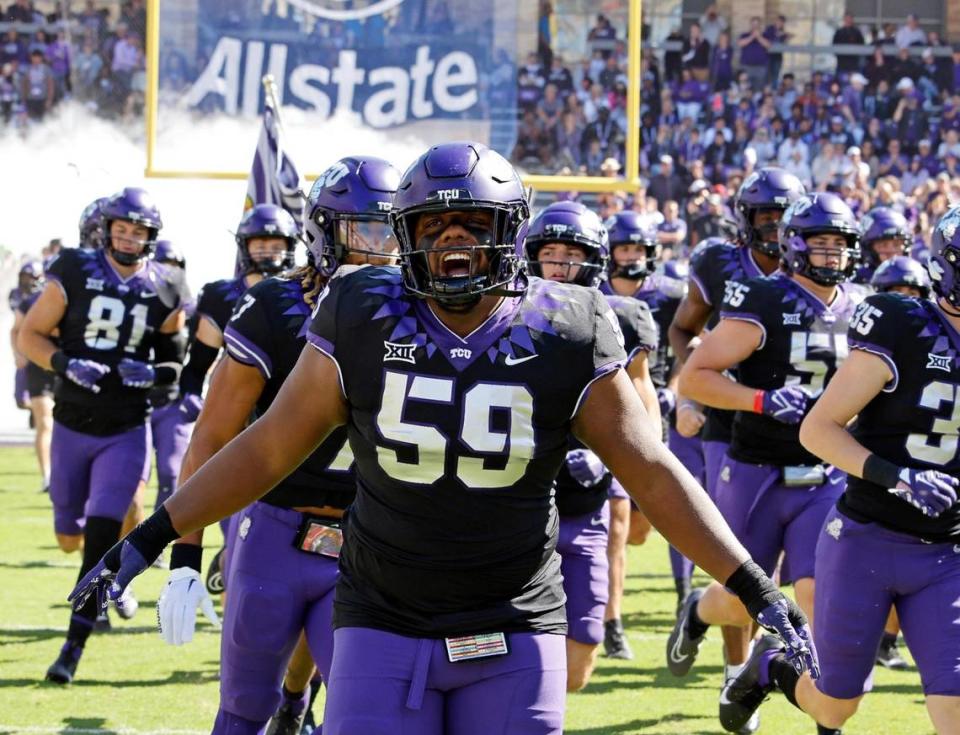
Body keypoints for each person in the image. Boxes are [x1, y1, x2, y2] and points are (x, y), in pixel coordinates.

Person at [69, 143, 817, 735]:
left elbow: (651, 470)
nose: (452, 240)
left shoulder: (571, 321)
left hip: (515, 619)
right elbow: (267, 448)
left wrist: (752, 583)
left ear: (511, 232)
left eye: (472, 224)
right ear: (406, 233)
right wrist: (153, 537)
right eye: (432, 224)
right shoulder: (359, 305)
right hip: (383, 613)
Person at [157, 157, 401, 735]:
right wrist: (186, 555)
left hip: (373, 539)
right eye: (367, 230)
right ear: (323, 234)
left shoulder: (423, 312)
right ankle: (287, 701)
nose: (385, 248)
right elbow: (213, 435)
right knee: (242, 709)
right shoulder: (277, 304)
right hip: (274, 529)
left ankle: (297, 700)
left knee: (363, 712)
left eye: (396, 231)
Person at [723, 205, 960, 735]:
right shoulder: (904, 325)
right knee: (835, 706)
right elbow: (819, 429)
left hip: (947, 551)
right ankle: (770, 665)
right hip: (866, 539)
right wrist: (898, 475)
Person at [676, 192, 862, 733]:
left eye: (840, 244)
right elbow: (694, 377)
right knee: (742, 599)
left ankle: (802, 696)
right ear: (796, 246)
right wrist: (760, 399)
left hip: (823, 473)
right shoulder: (762, 298)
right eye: (820, 243)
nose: (831, 255)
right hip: (757, 470)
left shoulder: (862, 306)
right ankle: (697, 611)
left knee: (816, 596)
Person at [17, 187, 188, 684]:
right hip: (71, 426)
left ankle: (73, 646)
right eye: (122, 229)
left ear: (151, 237)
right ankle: (111, 570)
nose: (129, 239)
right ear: (106, 229)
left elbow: (175, 366)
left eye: (138, 232)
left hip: (125, 430)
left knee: (96, 542)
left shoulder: (168, 285)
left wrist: (154, 375)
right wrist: (65, 362)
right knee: (69, 539)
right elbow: (30, 335)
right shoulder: (72, 269)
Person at [667, 168, 805, 732]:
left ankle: (697, 612)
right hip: (732, 425)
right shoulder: (719, 263)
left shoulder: (820, 259)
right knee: (746, 565)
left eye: (783, 214)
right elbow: (682, 329)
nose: (774, 226)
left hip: (802, 429)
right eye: (765, 216)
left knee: (797, 573)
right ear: (745, 220)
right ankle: (734, 673)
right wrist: (691, 388)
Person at [523, 200, 659, 690]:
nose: (559, 264)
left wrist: (621, 459)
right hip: (516, 505)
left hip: (585, 507)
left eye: (571, 254)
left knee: (579, 665)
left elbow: (643, 404)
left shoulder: (622, 316)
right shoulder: (506, 316)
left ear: (593, 259)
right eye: (551, 252)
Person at [176, 203, 299, 593]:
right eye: (260, 242)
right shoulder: (220, 295)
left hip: (283, 424)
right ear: (245, 246)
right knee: (231, 516)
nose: (268, 251)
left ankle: (230, 558)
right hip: (234, 421)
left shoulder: (308, 292)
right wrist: (190, 394)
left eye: (276, 243)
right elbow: (197, 364)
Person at [601, 210, 686, 627]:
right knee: (616, 524)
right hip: (605, 410)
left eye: (638, 248)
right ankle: (610, 619)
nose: (632, 256)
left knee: (639, 528)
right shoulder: (592, 292)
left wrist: (676, 387)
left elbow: (693, 340)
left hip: (653, 407)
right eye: (625, 248)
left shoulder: (670, 295)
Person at [146, 240, 194, 513]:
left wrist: (195, 390)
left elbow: (205, 357)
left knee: (169, 473)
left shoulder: (193, 309)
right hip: (135, 402)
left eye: (174, 267)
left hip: (174, 401)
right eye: (163, 266)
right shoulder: (133, 303)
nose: (168, 273)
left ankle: (156, 544)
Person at [9, 260, 54, 491]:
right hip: (38, 367)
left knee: (66, 423)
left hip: (65, 369)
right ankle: (47, 476)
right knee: (44, 422)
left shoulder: (78, 297)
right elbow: (16, 328)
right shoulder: (30, 302)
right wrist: (19, 354)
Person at [854, 206, 913, 285]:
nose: (891, 251)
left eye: (896, 244)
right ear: (869, 248)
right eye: (883, 245)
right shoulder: (860, 280)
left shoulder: (915, 276)